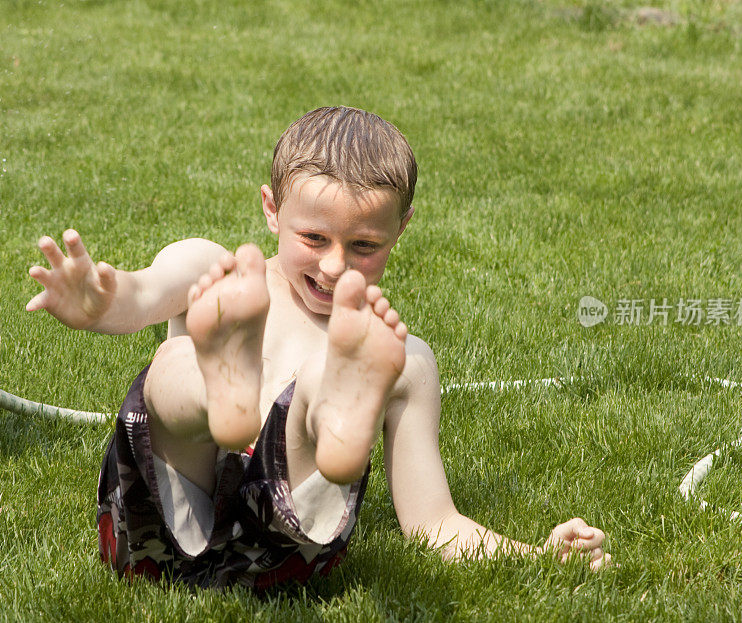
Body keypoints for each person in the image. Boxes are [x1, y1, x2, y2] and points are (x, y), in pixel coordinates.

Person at [26, 106, 610, 591]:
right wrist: (103, 305)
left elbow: (434, 524)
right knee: (173, 364)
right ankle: (216, 387)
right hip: (182, 518)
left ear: (401, 228)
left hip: (248, 548)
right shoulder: (218, 272)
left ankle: (321, 413)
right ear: (270, 207)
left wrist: (537, 555)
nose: (335, 266)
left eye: (363, 245)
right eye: (313, 238)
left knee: (319, 379)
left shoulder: (396, 358)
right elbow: (142, 292)